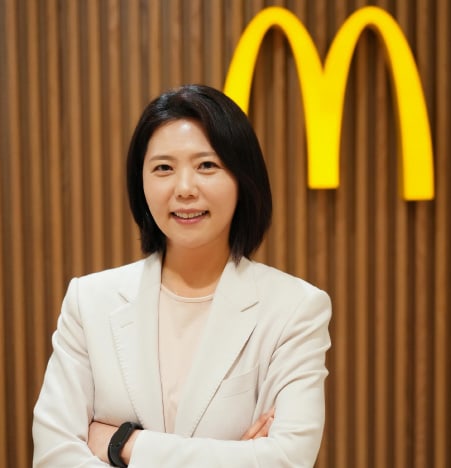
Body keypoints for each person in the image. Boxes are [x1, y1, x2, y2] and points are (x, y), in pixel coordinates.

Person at [32, 84, 332, 467]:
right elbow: (54, 457)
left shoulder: (295, 309)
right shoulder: (89, 302)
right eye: (164, 168)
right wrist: (238, 456)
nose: (185, 189)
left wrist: (122, 444)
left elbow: (287, 460)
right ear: (141, 182)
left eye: (207, 165)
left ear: (242, 179)